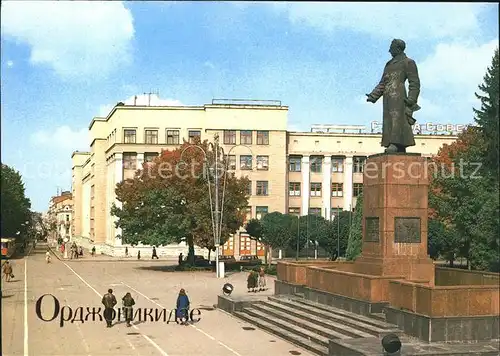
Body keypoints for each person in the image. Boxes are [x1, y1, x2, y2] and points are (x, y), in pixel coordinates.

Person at [366, 39, 421, 153]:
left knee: (397, 119)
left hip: (399, 96)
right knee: (388, 120)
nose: (389, 50)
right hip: (387, 97)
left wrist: (411, 99)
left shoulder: (408, 62)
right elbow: (383, 82)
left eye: (391, 47)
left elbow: (414, 83)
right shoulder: (389, 64)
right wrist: (374, 95)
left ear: (398, 48)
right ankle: (397, 145)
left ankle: (395, 143)